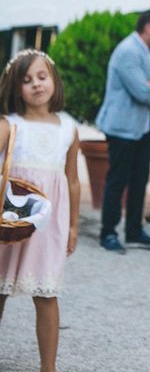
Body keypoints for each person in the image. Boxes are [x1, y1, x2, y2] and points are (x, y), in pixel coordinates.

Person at [0, 49, 80, 372]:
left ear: (54, 80)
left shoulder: (69, 128)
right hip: (10, 218)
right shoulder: (9, 125)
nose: (36, 84)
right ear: (15, 88)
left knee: (46, 293)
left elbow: (72, 181)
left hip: (48, 225)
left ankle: (49, 366)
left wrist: (73, 226)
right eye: (26, 80)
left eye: (41, 76)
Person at [96, 8, 150, 252]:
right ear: (148, 27)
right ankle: (108, 233)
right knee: (117, 180)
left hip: (142, 127)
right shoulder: (128, 51)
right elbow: (142, 93)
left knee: (139, 179)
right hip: (122, 127)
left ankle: (134, 231)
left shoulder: (149, 51)